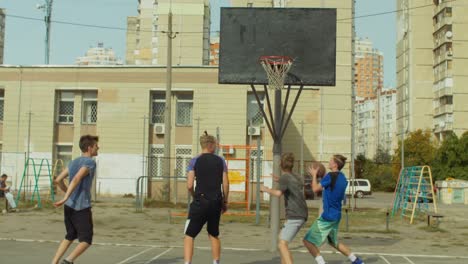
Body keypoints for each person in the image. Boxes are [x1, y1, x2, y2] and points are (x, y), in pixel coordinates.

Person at [303, 155, 365, 264]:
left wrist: (314, 175)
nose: (329, 161)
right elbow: (332, 189)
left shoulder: (330, 176)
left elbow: (315, 189)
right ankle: (356, 260)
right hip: (336, 215)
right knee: (333, 242)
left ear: (335, 164)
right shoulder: (343, 178)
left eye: (331, 160)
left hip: (328, 216)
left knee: (307, 241)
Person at [260, 153, 321, 264]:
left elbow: (278, 193)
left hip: (295, 214)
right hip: (302, 213)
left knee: (282, 244)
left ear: (280, 164)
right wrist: (279, 180)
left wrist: (265, 189)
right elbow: (292, 183)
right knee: (283, 242)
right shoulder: (296, 176)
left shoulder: (285, 178)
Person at [51, 135, 99, 264]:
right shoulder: (90, 162)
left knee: (70, 235)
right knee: (86, 240)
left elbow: (58, 180)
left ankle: (54, 262)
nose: (98, 147)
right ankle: (68, 261)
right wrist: (65, 197)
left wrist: (67, 195)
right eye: (96, 146)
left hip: (69, 206)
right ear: (89, 148)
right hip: (81, 207)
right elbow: (77, 179)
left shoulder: (73, 162)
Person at [184, 131, 229, 264]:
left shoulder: (194, 160)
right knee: (213, 234)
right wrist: (225, 201)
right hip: (216, 201)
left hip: (200, 200)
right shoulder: (220, 160)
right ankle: (215, 262)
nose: (216, 147)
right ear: (210, 145)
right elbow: (225, 183)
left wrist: (194, 196)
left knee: (189, 235)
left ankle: (187, 263)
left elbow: (189, 185)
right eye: (215, 144)